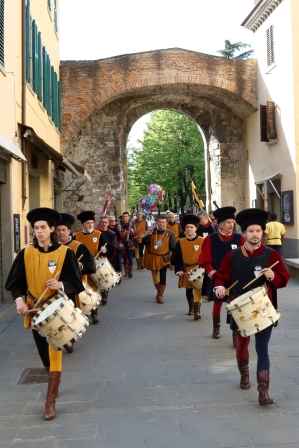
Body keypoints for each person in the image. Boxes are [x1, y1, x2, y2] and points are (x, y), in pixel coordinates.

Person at [5, 207, 84, 420]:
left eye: (42, 228)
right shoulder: (26, 253)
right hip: (35, 312)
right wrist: (20, 301)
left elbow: (76, 283)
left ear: (52, 229)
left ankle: (50, 402)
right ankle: (53, 380)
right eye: (36, 228)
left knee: (54, 350)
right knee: (43, 354)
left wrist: (60, 285)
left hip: (57, 311)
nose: (38, 231)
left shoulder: (65, 253)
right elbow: (14, 284)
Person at [213, 208, 290, 405]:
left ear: (262, 233)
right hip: (241, 310)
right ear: (244, 234)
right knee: (242, 345)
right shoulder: (234, 255)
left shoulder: (272, 255)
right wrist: (220, 287)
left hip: (264, 308)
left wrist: (274, 277)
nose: (255, 234)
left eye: (258, 231)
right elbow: (222, 276)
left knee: (262, 348)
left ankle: (263, 391)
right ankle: (244, 375)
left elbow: (284, 279)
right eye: (251, 231)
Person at [197, 206, 246, 344]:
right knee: (217, 303)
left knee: (235, 304)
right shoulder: (210, 239)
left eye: (232, 222)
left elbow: (245, 257)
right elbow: (205, 260)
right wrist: (212, 274)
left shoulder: (239, 238)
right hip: (216, 275)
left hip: (234, 277)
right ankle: (216, 327)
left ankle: (235, 333)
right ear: (221, 225)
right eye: (229, 222)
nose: (232, 225)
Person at [55, 213, 96, 352]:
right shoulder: (51, 247)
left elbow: (91, 265)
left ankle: (69, 338)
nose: (61, 233)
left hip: (72, 285)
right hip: (54, 285)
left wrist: (81, 266)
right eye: (58, 230)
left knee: (69, 312)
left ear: (69, 231)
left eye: (63, 230)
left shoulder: (78, 246)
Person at [74, 210, 112, 324]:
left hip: (94, 267)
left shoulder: (99, 235)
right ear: (83, 225)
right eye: (87, 223)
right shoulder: (76, 236)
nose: (90, 225)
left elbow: (108, 249)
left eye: (91, 223)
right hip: (81, 268)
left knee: (94, 292)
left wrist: (105, 250)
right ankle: (84, 313)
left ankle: (94, 314)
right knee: (83, 292)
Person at [171, 214, 204, 319]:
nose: (189, 229)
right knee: (189, 290)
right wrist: (178, 270)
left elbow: (207, 255)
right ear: (185, 229)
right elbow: (176, 258)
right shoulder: (181, 242)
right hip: (186, 269)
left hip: (199, 269)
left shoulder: (202, 240)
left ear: (196, 229)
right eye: (187, 227)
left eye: (191, 227)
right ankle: (191, 307)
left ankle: (197, 311)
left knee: (198, 289)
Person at [142, 216, 176, 303]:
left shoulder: (170, 233)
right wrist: (147, 235)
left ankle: (159, 295)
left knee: (163, 277)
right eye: (160, 222)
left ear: (166, 223)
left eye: (163, 222)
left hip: (164, 258)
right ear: (157, 222)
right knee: (155, 278)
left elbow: (173, 247)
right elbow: (144, 242)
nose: (161, 224)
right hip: (153, 257)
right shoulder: (152, 231)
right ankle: (159, 292)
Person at [97, 215, 119, 303]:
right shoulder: (96, 233)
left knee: (104, 277)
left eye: (106, 222)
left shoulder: (112, 234)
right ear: (100, 223)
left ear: (108, 223)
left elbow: (114, 247)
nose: (104, 224)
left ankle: (104, 295)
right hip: (97, 257)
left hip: (108, 258)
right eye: (102, 222)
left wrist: (110, 257)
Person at [116, 212, 136, 278]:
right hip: (122, 243)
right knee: (125, 258)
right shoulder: (118, 225)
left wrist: (133, 231)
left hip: (130, 243)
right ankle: (126, 272)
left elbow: (136, 234)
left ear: (128, 217)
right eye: (123, 216)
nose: (124, 217)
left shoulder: (132, 224)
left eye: (126, 216)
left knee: (130, 257)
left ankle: (130, 271)